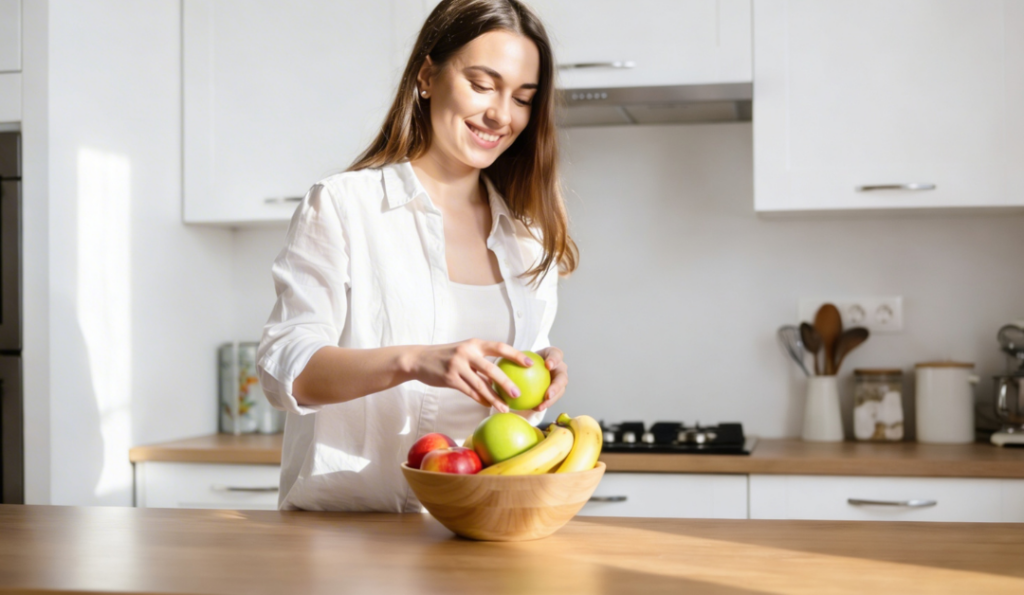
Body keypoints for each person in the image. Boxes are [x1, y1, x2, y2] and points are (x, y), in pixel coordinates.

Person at [256, 0, 578, 512]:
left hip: (476, 531)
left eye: (522, 97)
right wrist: (416, 360)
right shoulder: (344, 205)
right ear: (428, 76)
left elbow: (510, 412)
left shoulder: (528, 237)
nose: (501, 114)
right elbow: (285, 371)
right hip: (349, 537)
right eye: (482, 84)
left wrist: (538, 367)